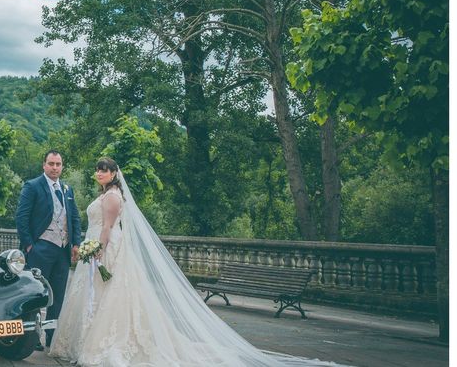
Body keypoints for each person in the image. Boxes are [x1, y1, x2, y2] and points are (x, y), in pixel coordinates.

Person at [50, 157, 344, 367]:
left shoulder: (113, 197)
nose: (100, 173)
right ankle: (82, 339)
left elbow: (107, 228)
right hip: (95, 248)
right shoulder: (104, 194)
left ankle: (106, 343)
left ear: (115, 174)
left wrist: (98, 249)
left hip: (107, 248)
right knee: (93, 296)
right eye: (98, 170)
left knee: (109, 296)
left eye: (105, 170)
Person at [15, 150, 83, 350]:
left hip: (62, 252)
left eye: (58, 164)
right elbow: (22, 217)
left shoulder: (67, 189)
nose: (55, 167)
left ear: (62, 166)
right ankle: (32, 338)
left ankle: (51, 338)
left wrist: (76, 243)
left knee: (57, 297)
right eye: (51, 163)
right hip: (40, 249)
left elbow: (75, 218)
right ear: (43, 165)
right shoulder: (33, 186)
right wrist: (29, 246)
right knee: (36, 294)